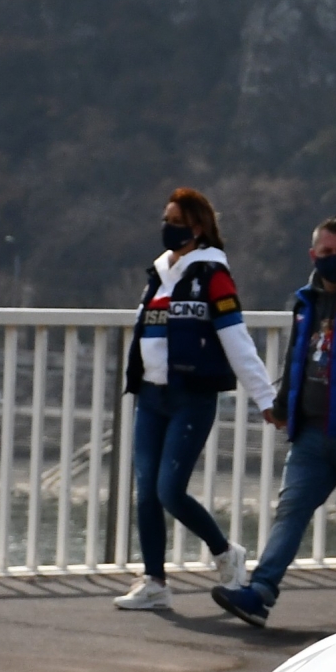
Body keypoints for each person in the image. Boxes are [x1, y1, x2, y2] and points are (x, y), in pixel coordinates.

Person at [211, 216, 336, 628]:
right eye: (327, 253)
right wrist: (284, 407)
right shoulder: (305, 302)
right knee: (290, 512)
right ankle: (259, 594)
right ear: (313, 255)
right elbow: (297, 360)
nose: (335, 260)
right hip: (311, 435)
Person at [114, 189, 278, 611]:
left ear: (198, 227)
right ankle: (154, 581)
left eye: (176, 219)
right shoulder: (158, 275)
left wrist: (265, 397)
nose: (167, 226)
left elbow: (237, 339)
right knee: (145, 492)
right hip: (151, 395)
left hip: (192, 396)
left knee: (170, 490)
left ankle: (225, 552)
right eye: (165, 217)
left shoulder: (213, 276)